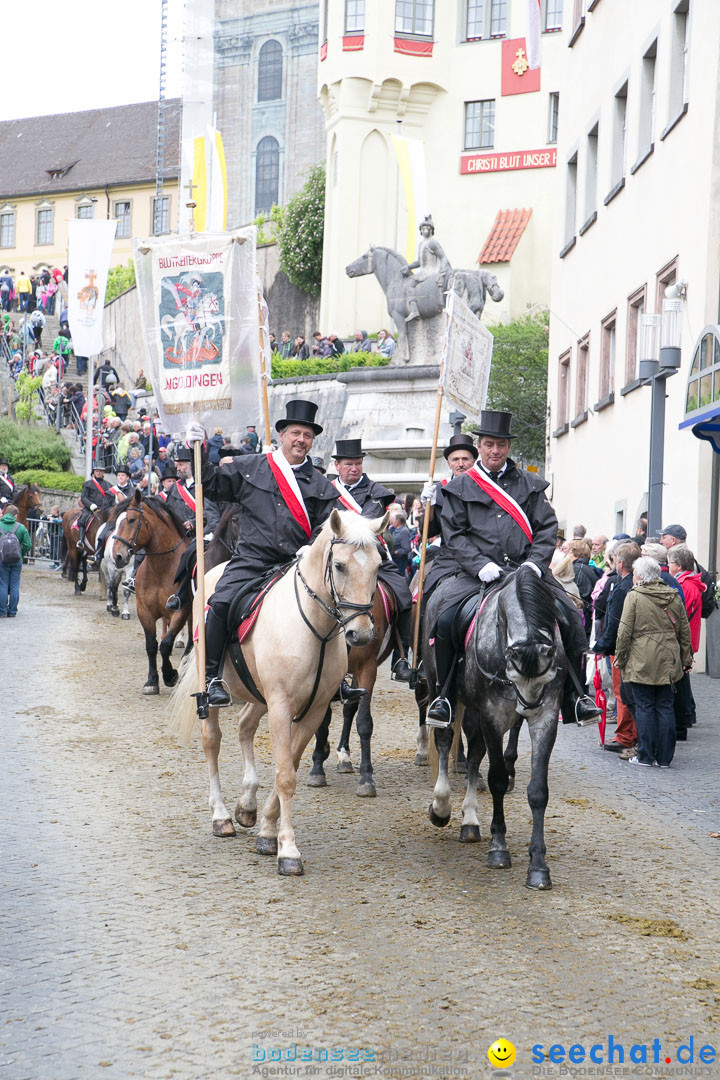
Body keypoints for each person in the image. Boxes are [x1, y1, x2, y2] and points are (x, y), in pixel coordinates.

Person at [422, 410, 600, 727]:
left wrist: (534, 563)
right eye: (489, 444)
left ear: (507, 447)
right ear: (480, 446)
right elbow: (455, 534)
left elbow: (546, 529)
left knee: (570, 615)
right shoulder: (460, 487)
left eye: (501, 445)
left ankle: (575, 697)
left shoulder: (530, 484)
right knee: (446, 620)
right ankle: (445, 697)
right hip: (478, 576)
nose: (495, 451)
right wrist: (480, 566)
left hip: (527, 572)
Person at [186, 399, 347, 706]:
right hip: (252, 561)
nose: (301, 440)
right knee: (220, 604)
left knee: (340, 607)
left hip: (296, 564)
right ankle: (212, 678)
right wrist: (199, 447)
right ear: (283, 435)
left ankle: (335, 679)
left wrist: (310, 548)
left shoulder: (322, 485)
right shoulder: (251, 467)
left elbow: (328, 527)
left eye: (308, 436)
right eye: (296, 433)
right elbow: (210, 483)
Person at [331, 437, 413, 680]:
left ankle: (401, 656)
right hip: (335, 557)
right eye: (348, 464)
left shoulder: (376, 492)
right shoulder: (324, 490)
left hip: (370, 556)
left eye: (357, 463)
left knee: (404, 596)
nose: (354, 468)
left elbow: (368, 522)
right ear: (337, 466)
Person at [613, 556, 692, 768]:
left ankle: (646, 756)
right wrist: (686, 658)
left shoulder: (635, 596)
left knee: (645, 706)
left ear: (639, 576)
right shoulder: (672, 595)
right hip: (668, 658)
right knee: (665, 706)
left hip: (641, 659)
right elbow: (684, 630)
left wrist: (619, 658)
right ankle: (665, 758)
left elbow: (624, 632)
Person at [593, 541, 641, 756]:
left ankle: (625, 735)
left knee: (621, 692)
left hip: (620, 649)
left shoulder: (622, 587)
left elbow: (615, 622)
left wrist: (601, 645)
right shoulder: (631, 583)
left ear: (620, 563)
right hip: (633, 647)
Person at [667, 544, 704, 737]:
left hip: (685, 639)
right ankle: (687, 715)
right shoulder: (687, 583)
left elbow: (681, 615)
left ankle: (683, 721)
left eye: (670, 562)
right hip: (688, 638)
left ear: (679, 566)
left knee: (680, 682)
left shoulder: (686, 586)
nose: (667, 565)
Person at [403, 216, 451, 323]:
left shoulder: (432, 243)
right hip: (423, 270)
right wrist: (408, 266)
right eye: (423, 228)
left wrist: (442, 272)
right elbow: (420, 262)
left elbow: (443, 257)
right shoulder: (421, 244)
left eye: (427, 228)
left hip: (430, 271)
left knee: (409, 284)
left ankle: (414, 310)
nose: (425, 230)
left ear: (431, 230)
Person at [0, 503, 32, 617]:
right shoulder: (21, 527)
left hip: (2, 560)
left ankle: (2, 611)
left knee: (2, 584)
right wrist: (20, 554)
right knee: (14, 585)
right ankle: (12, 611)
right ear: (16, 516)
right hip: (16, 560)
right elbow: (28, 544)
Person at [77, 462, 113, 550]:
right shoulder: (88, 484)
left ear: (103, 472)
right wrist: (91, 505)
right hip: (90, 509)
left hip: (103, 509)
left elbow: (110, 498)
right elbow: (84, 497)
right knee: (83, 518)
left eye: (100, 471)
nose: (98, 473)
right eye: (97, 471)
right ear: (94, 472)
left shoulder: (109, 485)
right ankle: (81, 541)